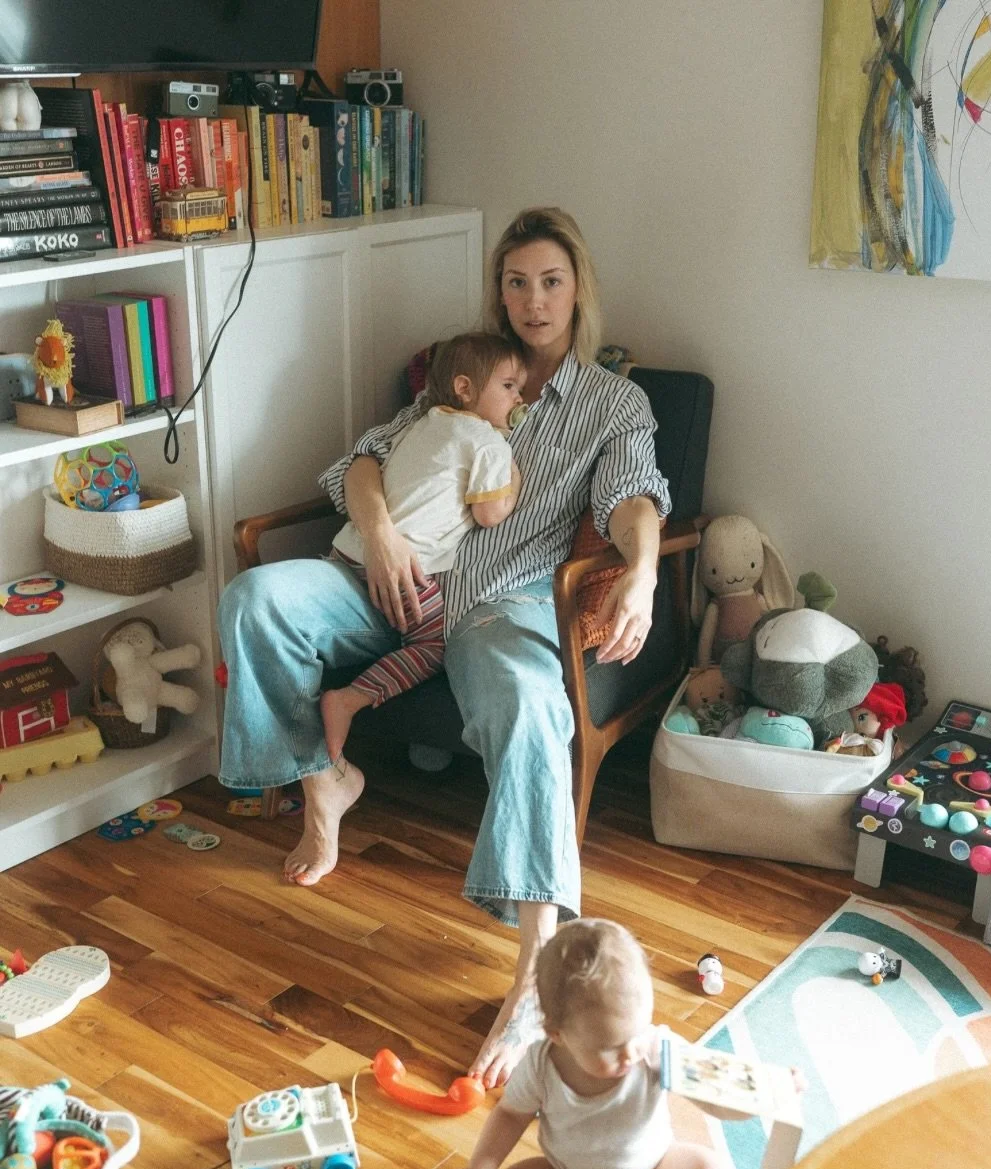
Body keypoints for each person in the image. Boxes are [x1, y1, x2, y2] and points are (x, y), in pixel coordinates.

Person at [216, 206, 671, 1088]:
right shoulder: (461, 373)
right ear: (499, 292)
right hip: (384, 581)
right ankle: (323, 778)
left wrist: (644, 573)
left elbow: (633, 501)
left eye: (551, 282)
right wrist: (380, 532)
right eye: (517, 282)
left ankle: (536, 975)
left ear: (578, 290)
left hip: (497, 606)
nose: (534, 301)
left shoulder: (613, 402)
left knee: (532, 704)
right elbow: (362, 461)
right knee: (254, 600)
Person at [442, 919, 740, 1169]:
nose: (630, 1053)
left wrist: (762, 1094)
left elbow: (721, 1098)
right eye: (611, 1047)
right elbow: (510, 1115)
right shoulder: (540, 1063)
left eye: (638, 1031)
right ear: (557, 1034)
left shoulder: (654, 1047)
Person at [319, 331, 525, 763]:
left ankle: (421, 749)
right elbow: (490, 514)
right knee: (435, 645)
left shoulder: (421, 424)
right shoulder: (487, 441)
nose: (518, 397)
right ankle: (350, 700)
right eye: (508, 386)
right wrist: (513, 481)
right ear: (464, 387)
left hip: (350, 553)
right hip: (406, 570)